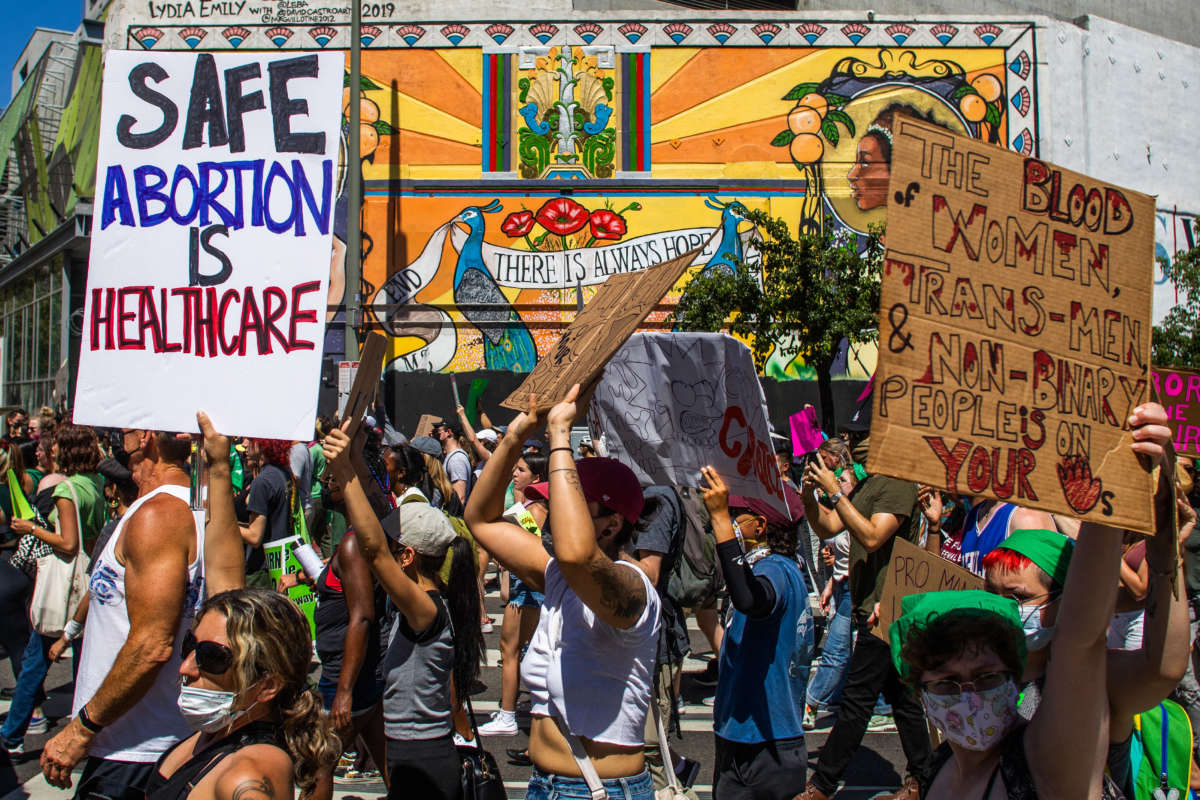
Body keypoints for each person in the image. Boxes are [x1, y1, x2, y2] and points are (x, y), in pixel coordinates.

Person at [465, 386, 660, 800]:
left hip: (600, 790)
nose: (550, 514)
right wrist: (516, 434)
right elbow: (479, 519)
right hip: (546, 784)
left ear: (611, 525)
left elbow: (577, 553)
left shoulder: (634, 588)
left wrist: (559, 435)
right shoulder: (558, 574)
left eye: (568, 504)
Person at [143, 411, 340, 799]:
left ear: (266, 684)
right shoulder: (223, 732)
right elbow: (222, 570)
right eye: (190, 647)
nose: (185, 666)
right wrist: (215, 463)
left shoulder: (249, 775)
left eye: (211, 657)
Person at [40, 428, 203, 798]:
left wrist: (82, 729)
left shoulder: (158, 515)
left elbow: (152, 645)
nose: (116, 436)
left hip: (135, 749)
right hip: (154, 741)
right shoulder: (198, 508)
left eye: (124, 428)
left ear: (145, 437)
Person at [324, 421, 483, 800]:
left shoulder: (424, 610)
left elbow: (375, 551)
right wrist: (356, 455)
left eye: (395, 548)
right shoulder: (432, 603)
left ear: (408, 557)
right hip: (418, 753)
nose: (387, 552)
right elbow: (380, 519)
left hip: (421, 760)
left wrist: (345, 471)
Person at [797, 441, 930, 800]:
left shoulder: (898, 483)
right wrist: (810, 496)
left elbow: (872, 537)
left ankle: (822, 785)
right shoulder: (870, 484)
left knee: (856, 701)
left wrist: (834, 493)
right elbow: (828, 526)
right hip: (868, 606)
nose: (856, 446)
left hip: (886, 610)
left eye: (864, 437)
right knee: (903, 702)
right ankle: (924, 776)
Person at [702, 467, 812, 799]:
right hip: (744, 736)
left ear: (760, 527)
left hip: (765, 744)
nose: (732, 519)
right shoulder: (778, 568)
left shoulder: (776, 570)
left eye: (738, 515)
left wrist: (720, 520)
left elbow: (750, 598)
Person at [477, 451, 548, 736]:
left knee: (510, 650)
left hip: (528, 589)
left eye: (521, 470)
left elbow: (534, 543)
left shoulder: (537, 508)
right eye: (515, 469)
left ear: (537, 477)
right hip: (523, 585)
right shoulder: (528, 504)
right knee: (516, 650)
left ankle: (508, 715)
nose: (515, 474)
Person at [240, 438, 295, 588]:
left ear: (263, 444)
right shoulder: (283, 473)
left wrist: (223, 523)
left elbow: (254, 537)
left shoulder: (262, 481)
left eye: (250, 440)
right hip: (279, 563)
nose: (245, 445)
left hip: (260, 570)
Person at [433, 421, 472, 507]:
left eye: (438, 431)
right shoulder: (452, 457)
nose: (436, 433)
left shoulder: (456, 459)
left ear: (449, 433)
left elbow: (460, 498)